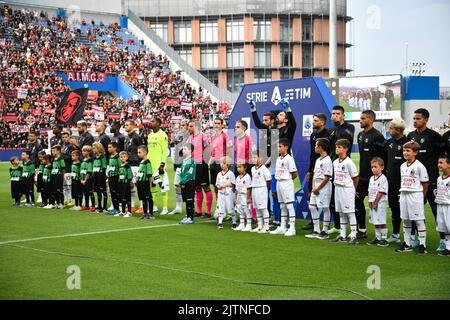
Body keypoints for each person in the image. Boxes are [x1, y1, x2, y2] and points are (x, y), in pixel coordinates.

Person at [407, 108, 445, 253]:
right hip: (415, 182)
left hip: (432, 180)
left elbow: (441, 157)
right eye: (414, 118)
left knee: (437, 211)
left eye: (418, 118)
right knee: (415, 210)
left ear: (426, 120)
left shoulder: (434, 136)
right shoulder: (410, 136)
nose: (415, 121)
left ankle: (443, 240)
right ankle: (417, 238)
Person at [355, 110, 386, 239]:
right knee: (357, 200)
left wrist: (380, 175)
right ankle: (362, 229)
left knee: (376, 205)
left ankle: (381, 235)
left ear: (371, 120)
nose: (360, 121)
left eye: (363, 118)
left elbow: (384, 157)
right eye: (360, 118)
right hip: (362, 176)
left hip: (374, 178)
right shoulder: (360, 135)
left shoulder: (378, 136)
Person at [395, 141, 429, 255]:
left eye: (408, 151)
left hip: (415, 195)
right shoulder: (402, 165)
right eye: (404, 150)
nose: (405, 153)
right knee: (405, 219)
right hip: (404, 194)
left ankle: (422, 245)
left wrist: (422, 196)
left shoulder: (419, 166)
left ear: (415, 152)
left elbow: (425, 183)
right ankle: (407, 243)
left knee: (419, 220)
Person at [327, 105, 355, 235]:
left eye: (338, 113)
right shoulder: (331, 129)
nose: (335, 116)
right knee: (334, 199)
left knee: (348, 202)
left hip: (344, 167)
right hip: (334, 165)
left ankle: (356, 229)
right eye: (333, 114)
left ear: (343, 115)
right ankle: (338, 226)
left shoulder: (349, 127)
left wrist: (339, 124)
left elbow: (345, 139)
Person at [330, 139, 359, 244]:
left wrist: (353, 189)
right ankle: (342, 236)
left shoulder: (349, 162)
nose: (337, 149)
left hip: (347, 190)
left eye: (339, 147)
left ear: (346, 149)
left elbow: (355, 177)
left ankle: (354, 236)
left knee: (350, 213)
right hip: (338, 189)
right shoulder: (335, 162)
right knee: (341, 213)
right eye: (336, 147)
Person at [304, 113, 330, 231]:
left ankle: (327, 227)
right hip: (315, 168)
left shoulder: (328, 134)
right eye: (313, 120)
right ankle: (314, 224)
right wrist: (310, 170)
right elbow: (312, 154)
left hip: (325, 170)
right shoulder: (313, 134)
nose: (313, 122)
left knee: (326, 205)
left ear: (322, 122)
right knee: (312, 199)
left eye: (316, 121)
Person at [385, 118, 409, 243]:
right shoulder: (389, 143)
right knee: (394, 209)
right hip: (391, 182)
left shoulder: (407, 144)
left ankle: (411, 237)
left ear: (398, 130)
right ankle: (395, 235)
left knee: (406, 211)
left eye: (391, 128)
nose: (389, 130)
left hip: (404, 184)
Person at [305, 138, 332, 240]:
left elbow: (327, 177)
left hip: (323, 187)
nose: (315, 147)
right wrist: (313, 187)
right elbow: (315, 174)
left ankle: (325, 231)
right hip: (315, 186)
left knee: (325, 208)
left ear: (320, 147)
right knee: (312, 207)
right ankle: (316, 229)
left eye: (316, 145)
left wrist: (318, 188)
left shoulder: (327, 160)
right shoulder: (317, 160)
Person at [270, 139, 298, 237]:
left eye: (280, 146)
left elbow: (294, 174)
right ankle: (282, 227)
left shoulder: (289, 159)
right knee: (282, 206)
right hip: (279, 183)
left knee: (289, 205)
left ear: (286, 147)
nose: (278, 148)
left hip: (287, 183)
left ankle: (292, 228)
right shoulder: (278, 159)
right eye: (278, 146)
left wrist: (287, 180)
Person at [188, 120, 213, 218]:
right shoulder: (190, 137)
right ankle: (198, 211)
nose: (189, 128)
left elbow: (208, 148)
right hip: (193, 165)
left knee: (206, 187)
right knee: (197, 187)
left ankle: (208, 212)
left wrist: (205, 161)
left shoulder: (203, 136)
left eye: (191, 126)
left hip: (201, 164)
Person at [209, 117, 233, 215]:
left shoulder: (225, 136)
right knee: (216, 186)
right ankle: (219, 208)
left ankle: (227, 211)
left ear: (222, 125)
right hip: (214, 164)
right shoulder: (213, 136)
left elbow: (230, 149)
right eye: (215, 123)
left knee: (225, 187)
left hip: (222, 164)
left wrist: (228, 163)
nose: (216, 125)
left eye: (219, 123)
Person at [147, 118, 169, 215]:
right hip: (150, 165)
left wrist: (163, 163)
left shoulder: (163, 135)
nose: (151, 123)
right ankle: (154, 207)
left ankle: (165, 208)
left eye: (153, 121)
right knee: (152, 187)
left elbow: (165, 150)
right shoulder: (150, 135)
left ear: (159, 123)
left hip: (159, 165)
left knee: (162, 186)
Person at [367, 157, 389, 247]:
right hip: (372, 202)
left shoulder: (383, 178)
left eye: (375, 167)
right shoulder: (372, 178)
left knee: (381, 220)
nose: (373, 169)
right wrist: (369, 201)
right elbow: (370, 190)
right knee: (375, 220)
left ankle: (384, 238)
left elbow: (381, 192)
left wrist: (376, 202)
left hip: (380, 203)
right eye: (372, 167)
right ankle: (378, 237)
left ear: (382, 167)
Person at [170, 119, 190, 215]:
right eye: (181, 125)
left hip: (187, 164)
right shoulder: (178, 137)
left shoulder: (190, 137)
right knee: (177, 185)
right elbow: (176, 151)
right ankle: (178, 207)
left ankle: (190, 208)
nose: (181, 127)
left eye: (183, 125)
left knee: (187, 186)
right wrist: (175, 164)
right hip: (179, 164)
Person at [124, 119, 143, 212]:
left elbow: (142, 149)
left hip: (136, 164)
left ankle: (142, 206)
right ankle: (131, 206)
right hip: (129, 164)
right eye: (125, 125)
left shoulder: (136, 137)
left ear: (132, 126)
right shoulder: (127, 137)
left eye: (127, 125)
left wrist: (140, 162)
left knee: (138, 185)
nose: (125, 126)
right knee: (130, 185)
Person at [250, 152, 272, 234]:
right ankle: (260, 225)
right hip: (254, 189)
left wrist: (266, 189)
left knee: (263, 208)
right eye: (252, 158)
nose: (253, 159)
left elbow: (268, 180)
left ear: (260, 158)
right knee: (256, 208)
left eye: (255, 157)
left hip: (262, 189)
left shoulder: (264, 168)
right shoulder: (252, 169)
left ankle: (266, 227)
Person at [215, 157, 236, 229]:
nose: (222, 165)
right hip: (221, 193)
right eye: (221, 163)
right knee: (220, 208)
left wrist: (225, 185)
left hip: (228, 194)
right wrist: (218, 186)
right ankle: (220, 223)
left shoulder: (230, 174)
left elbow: (233, 184)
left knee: (230, 208)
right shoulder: (219, 174)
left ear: (228, 165)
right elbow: (217, 183)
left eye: (224, 163)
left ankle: (234, 222)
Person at [436, 156, 450, 256]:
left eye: (441, 163)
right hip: (441, 205)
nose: (439, 165)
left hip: (448, 205)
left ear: (448, 165)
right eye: (439, 163)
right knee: (445, 228)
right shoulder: (439, 178)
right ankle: (448, 247)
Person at [179, 143, 196, 225]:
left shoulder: (192, 160)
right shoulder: (184, 160)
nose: (183, 150)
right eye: (183, 149)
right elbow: (182, 172)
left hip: (189, 182)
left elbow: (190, 173)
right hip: (184, 183)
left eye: (185, 149)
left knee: (190, 200)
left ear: (190, 150)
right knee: (186, 200)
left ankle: (191, 218)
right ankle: (188, 216)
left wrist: (183, 181)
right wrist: (181, 181)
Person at [136, 145, 155, 220]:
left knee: (148, 198)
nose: (138, 154)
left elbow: (149, 174)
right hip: (140, 183)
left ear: (145, 152)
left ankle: (151, 213)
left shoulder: (147, 162)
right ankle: (145, 213)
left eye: (139, 152)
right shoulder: (141, 162)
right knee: (143, 198)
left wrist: (150, 184)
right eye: (138, 152)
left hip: (145, 183)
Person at [233, 161, 252, 232]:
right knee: (240, 210)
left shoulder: (247, 177)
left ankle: (249, 224)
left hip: (245, 195)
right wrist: (235, 197)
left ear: (245, 167)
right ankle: (241, 224)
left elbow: (249, 188)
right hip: (239, 196)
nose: (238, 169)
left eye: (240, 167)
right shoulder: (237, 177)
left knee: (246, 210)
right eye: (237, 167)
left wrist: (248, 198)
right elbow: (236, 189)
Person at [115, 151, 134, 218]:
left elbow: (129, 175)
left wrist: (129, 182)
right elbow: (119, 175)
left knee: (127, 198)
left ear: (127, 157)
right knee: (122, 197)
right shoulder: (120, 166)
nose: (123, 158)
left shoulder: (127, 166)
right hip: (121, 184)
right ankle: (122, 212)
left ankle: (129, 212)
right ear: (119, 158)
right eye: (121, 157)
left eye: (124, 157)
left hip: (126, 184)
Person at [92, 142, 108, 213]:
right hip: (96, 176)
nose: (93, 150)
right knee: (98, 192)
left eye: (94, 148)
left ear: (99, 148)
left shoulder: (102, 157)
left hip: (101, 176)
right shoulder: (95, 157)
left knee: (103, 192)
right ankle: (99, 206)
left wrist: (104, 178)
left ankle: (104, 207)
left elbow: (104, 167)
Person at [106, 142, 121, 215]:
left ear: (115, 148)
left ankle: (118, 209)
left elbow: (120, 167)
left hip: (116, 177)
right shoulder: (110, 157)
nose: (108, 149)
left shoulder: (117, 157)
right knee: (112, 193)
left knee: (117, 193)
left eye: (110, 147)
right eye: (108, 147)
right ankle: (115, 208)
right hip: (111, 177)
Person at [80, 145, 95, 212]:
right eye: (82, 151)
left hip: (88, 179)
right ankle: (86, 205)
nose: (83, 152)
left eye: (84, 151)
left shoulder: (90, 160)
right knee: (85, 192)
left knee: (90, 192)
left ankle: (93, 206)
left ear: (89, 152)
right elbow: (81, 170)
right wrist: (81, 179)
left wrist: (85, 179)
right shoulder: (83, 160)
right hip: (83, 179)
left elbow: (89, 171)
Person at [61, 130, 74, 206]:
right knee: (64, 185)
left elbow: (70, 157)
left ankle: (71, 199)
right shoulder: (63, 146)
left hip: (68, 167)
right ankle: (66, 199)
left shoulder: (70, 146)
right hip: (63, 168)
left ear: (69, 137)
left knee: (69, 185)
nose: (64, 138)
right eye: (63, 137)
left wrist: (62, 155)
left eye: (66, 137)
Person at [51, 145, 66, 209]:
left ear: (59, 151)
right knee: (54, 190)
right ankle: (57, 203)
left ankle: (62, 203)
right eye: (52, 151)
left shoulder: (61, 159)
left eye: (54, 151)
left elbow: (63, 168)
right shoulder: (53, 159)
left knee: (59, 190)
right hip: (54, 175)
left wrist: (63, 176)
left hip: (59, 176)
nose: (53, 152)